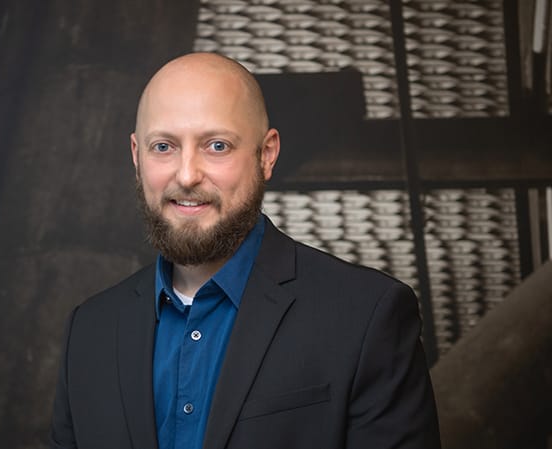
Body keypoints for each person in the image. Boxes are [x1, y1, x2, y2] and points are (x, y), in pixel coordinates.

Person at [49, 52, 441, 449]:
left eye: (217, 145)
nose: (187, 175)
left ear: (266, 154)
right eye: (163, 146)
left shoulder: (366, 316)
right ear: (137, 156)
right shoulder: (90, 331)